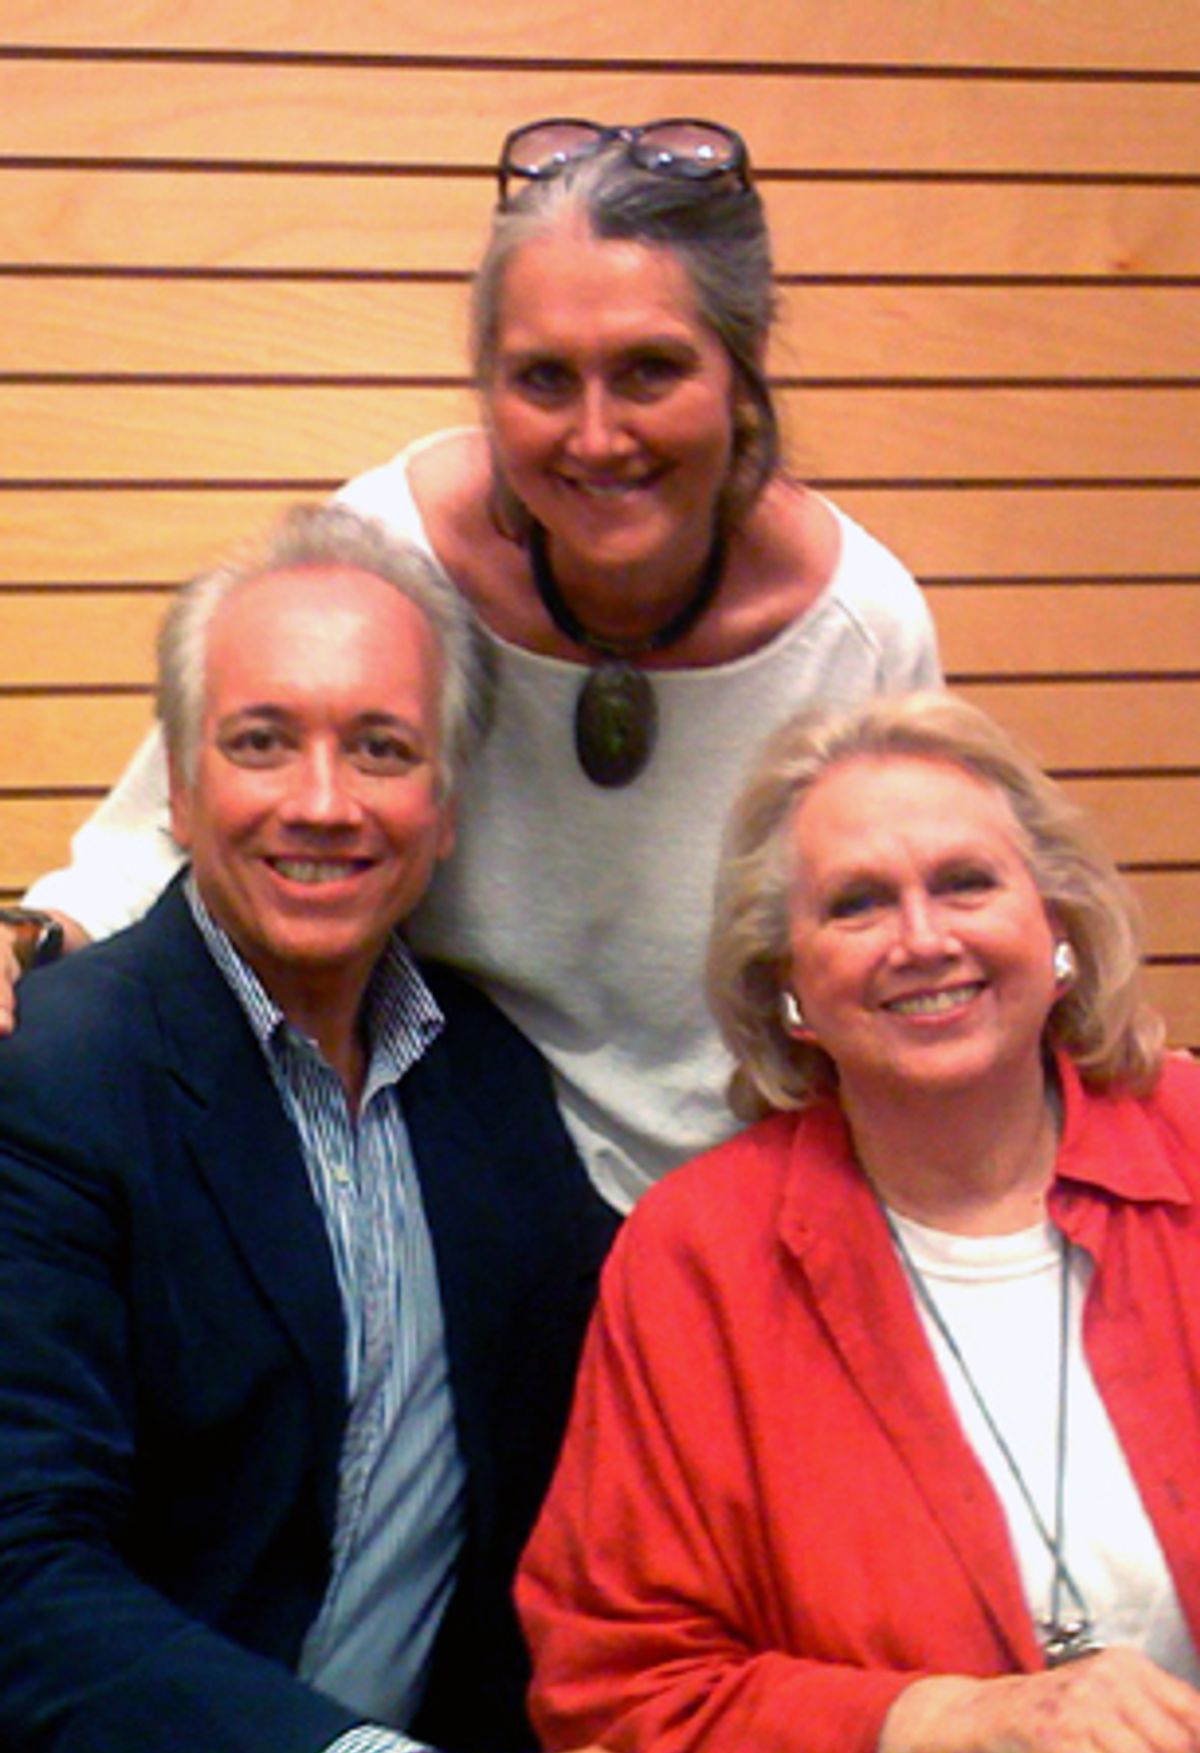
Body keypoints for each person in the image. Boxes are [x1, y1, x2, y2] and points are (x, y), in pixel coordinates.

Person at [3, 117, 941, 1211]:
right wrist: (25, 945)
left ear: (742, 378)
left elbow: (905, 939)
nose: (596, 436)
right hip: (457, 1200)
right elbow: (172, 834)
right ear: (487, 390)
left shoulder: (860, 627)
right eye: (543, 379)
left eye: (650, 370)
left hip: (753, 1208)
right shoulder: (390, 559)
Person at [0, 503, 622, 1753]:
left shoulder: (496, 1083)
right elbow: (20, 1574)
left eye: (382, 749)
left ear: (445, 806)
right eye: (263, 743)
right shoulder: (47, 1079)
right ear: (177, 787)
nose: (323, 803)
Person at [517, 690, 1200, 1753]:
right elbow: (617, 1690)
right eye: (856, 905)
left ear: (1056, 924)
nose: (923, 940)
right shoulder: (696, 1257)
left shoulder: (1193, 1146)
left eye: (966, 883)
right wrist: (945, 1721)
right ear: (787, 984)